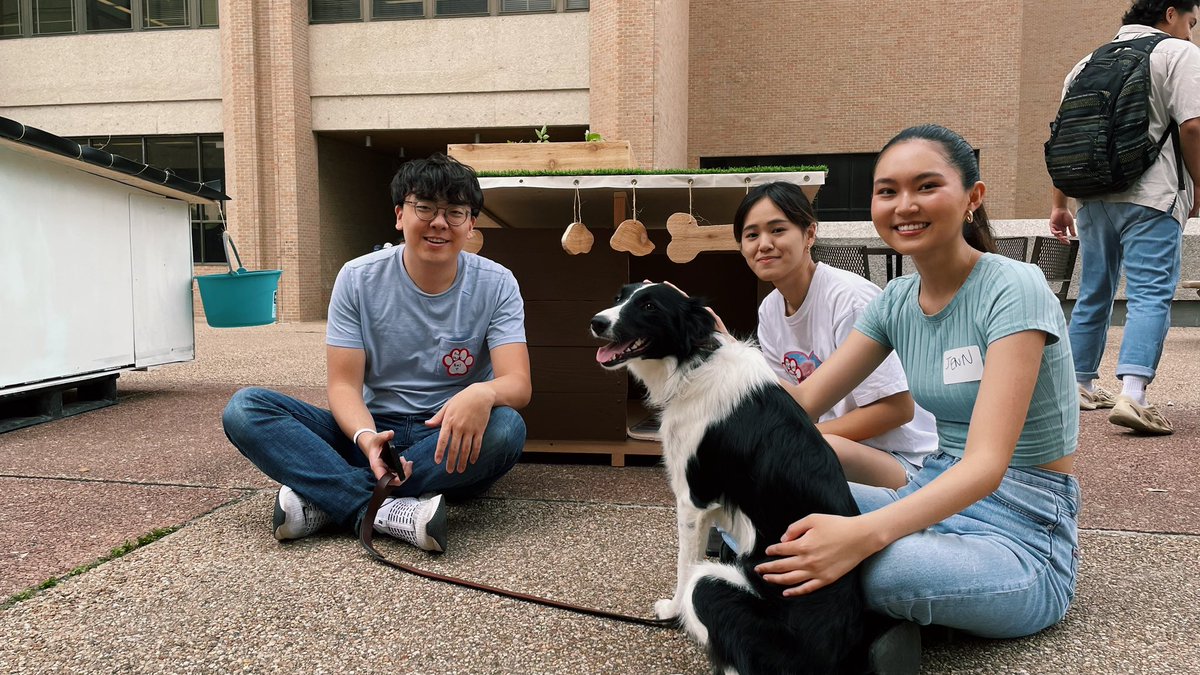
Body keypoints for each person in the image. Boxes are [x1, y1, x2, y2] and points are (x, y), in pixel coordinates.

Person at [755, 124, 1081, 642]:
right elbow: (802, 404)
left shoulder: (1015, 287)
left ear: (973, 198)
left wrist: (862, 535)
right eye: (888, 191)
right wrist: (715, 364)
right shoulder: (897, 299)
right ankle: (851, 603)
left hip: (1022, 527)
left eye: (926, 186)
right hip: (925, 490)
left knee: (889, 574)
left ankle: (845, 600)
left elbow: (984, 467)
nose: (904, 204)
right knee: (753, 508)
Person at [222, 153, 531, 552]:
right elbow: (344, 386)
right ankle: (385, 510)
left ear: (471, 225)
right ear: (400, 215)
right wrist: (368, 438)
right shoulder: (357, 277)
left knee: (507, 428)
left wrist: (483, 393)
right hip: (368, 431)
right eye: (426, 208)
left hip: (445, 437)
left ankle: (328, 498)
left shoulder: (498, 283)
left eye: (456, 212)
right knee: (246, 409)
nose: (440, 222)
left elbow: (518, 384)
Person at [1049, 0, 1200, 435]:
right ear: (1171, 14)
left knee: (1095, 291)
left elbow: (1063, 136)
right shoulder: (1177, 52)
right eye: (1191, 22)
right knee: (1150, 292)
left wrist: (1059, 204)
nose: (1191, 31)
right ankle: (1133, 394)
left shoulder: (1085, 63)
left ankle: (1077, 383)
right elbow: (1192, 126)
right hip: (1152, 195)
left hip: (1092, 198)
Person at [733, 181, 937, 490]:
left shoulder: (849, 299)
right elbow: (788, 408)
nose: (764, 244)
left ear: (809, 234)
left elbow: (898, 409)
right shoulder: (770, 310)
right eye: (751, 235)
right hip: (836, 447)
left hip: (906, 460)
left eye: (777, 230)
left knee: (801, 453)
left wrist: (806, 437)